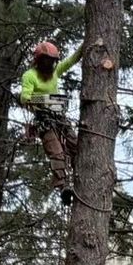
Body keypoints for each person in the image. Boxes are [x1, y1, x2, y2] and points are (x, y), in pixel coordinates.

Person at [19, 38, 86, 201]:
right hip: (44, 121)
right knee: (56, 152)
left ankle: (83, 175)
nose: (49, 64)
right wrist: (48, 100)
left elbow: (72, 59)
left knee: (76, 145)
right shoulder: (30, 75)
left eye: (52, 61)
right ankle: (63, 186)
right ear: (39, 61)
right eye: (46, 60)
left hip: (59, 118)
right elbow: (24, 97)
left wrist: (86, 43)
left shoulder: (55, 72)